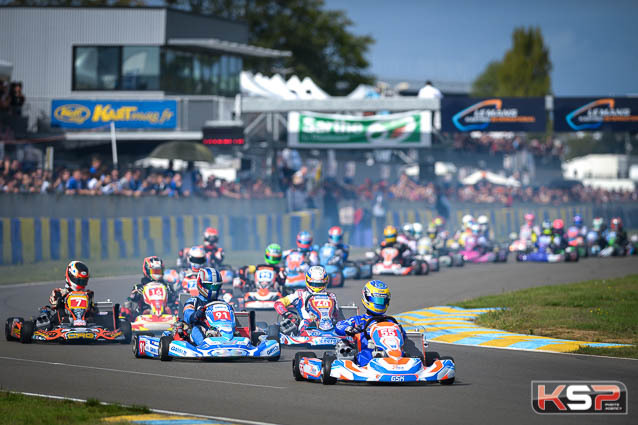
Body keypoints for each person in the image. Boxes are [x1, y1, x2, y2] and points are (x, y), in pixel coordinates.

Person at [335, 280, 406, 367]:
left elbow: (403, 336)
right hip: (367, 356)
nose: (380, 303)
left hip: (394, 355)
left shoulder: (390, 321)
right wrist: (348, 329)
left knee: (404, 354)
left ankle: (396, 363)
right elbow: (339, 326)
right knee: (366, 355)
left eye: (383, 301)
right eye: (377, 300)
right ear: (367, 298)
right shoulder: (359, 320)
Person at [273, 265, 339, 335]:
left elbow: (337, 315)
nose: (316, 287)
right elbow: (278, 303)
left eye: (320, 284)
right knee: (305, 323)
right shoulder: (300, 294)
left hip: (329, 324)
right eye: (313, 284)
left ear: (325, 282)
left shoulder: (331, 296)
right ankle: (307, 334)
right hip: (307, 324)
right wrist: (288, 315)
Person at [36, 261, 93, 330]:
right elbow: (53, 304)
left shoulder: (88, 293)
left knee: (94, 315)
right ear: (70, 277)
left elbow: (92, 308)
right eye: (79, 280)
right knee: (59, 312)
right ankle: (59, 326)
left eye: (84, 281)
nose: (81, 283)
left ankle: (86, 324)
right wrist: (61, 298)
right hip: (64, 319)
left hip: (84, 320)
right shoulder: (59, 292)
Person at [121, 256, 177, 320]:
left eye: (159, 271)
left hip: (165, 314)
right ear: (147, 271)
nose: (157, 273)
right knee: (126, 307)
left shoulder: (167, 286)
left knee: (172, 307)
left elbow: (174, 299)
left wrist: (171, 294)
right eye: (155, 271)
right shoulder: (139, 287)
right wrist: (137, 294)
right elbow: (131, 298)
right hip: (144, 315)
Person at [182, 267, 224, 346]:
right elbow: (188, 317)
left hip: (220, 330)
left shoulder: (222, 303)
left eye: (215, 287)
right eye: (209, 286)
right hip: (201, 329)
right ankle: (203, 346)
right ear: (200, 284)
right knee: (195, 328)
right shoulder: (193, 301)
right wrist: (196, 314)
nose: (213, 290)